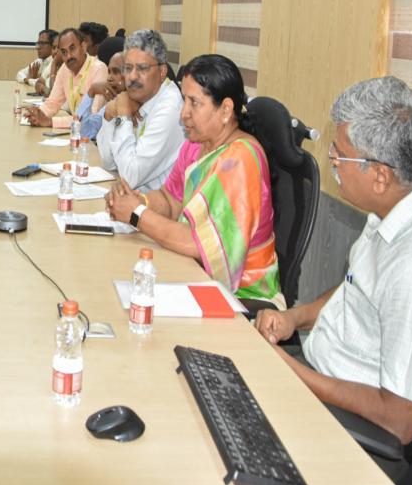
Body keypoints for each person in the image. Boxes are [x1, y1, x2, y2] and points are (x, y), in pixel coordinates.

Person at [255, 77, 412, 467]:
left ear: (380, 175)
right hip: (319, 373)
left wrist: (288, 371)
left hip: (360, 434)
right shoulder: (397, 207)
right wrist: (295, 317)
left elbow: (400, 419)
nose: (333, 164)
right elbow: (357, 286)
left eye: (340, 156)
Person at [106, 54, 282, 308]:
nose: (183, 114)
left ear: (225, 110)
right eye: (183, 100)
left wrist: (136, 214)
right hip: (196, 273)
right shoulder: (196, 144)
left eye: (194, 103)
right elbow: (170, 199)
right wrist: (136, 200)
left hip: (243, 295)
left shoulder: (240, 159)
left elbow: (200, 245)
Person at [97, 30, 184, 190]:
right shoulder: (142, 97)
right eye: (128, 68)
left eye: (142, 68)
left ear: (162, 71)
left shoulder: (169, 109)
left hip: (156, 208)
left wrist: (123, 116)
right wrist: (110, 115)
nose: (132, 77)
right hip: (134, 201)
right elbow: (109, 163)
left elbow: (130, 177)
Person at [26, 28, 108, 129]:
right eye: (64, 52)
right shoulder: (65, 69)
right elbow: (53, 103)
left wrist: (51, 122)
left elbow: (91, 117)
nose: (69, 56)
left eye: (72, 49)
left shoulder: (99, 69)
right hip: (75, 132)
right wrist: (38, 115)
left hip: (94, 138)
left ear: (83, 47)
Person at [75, 35, 125, 140]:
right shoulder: (112, 103)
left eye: (116, 72)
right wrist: (91, 92)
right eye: (109, 72)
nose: (109, 78)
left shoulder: (138, 105)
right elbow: (85, 133)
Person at [33, 32, 62, 97]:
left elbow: (55, 92)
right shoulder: (54, 62)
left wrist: (53, 66)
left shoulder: (67, 67)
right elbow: (38, 83)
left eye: (58, 48)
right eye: (54, 48)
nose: (55, 51)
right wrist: (46, 89)